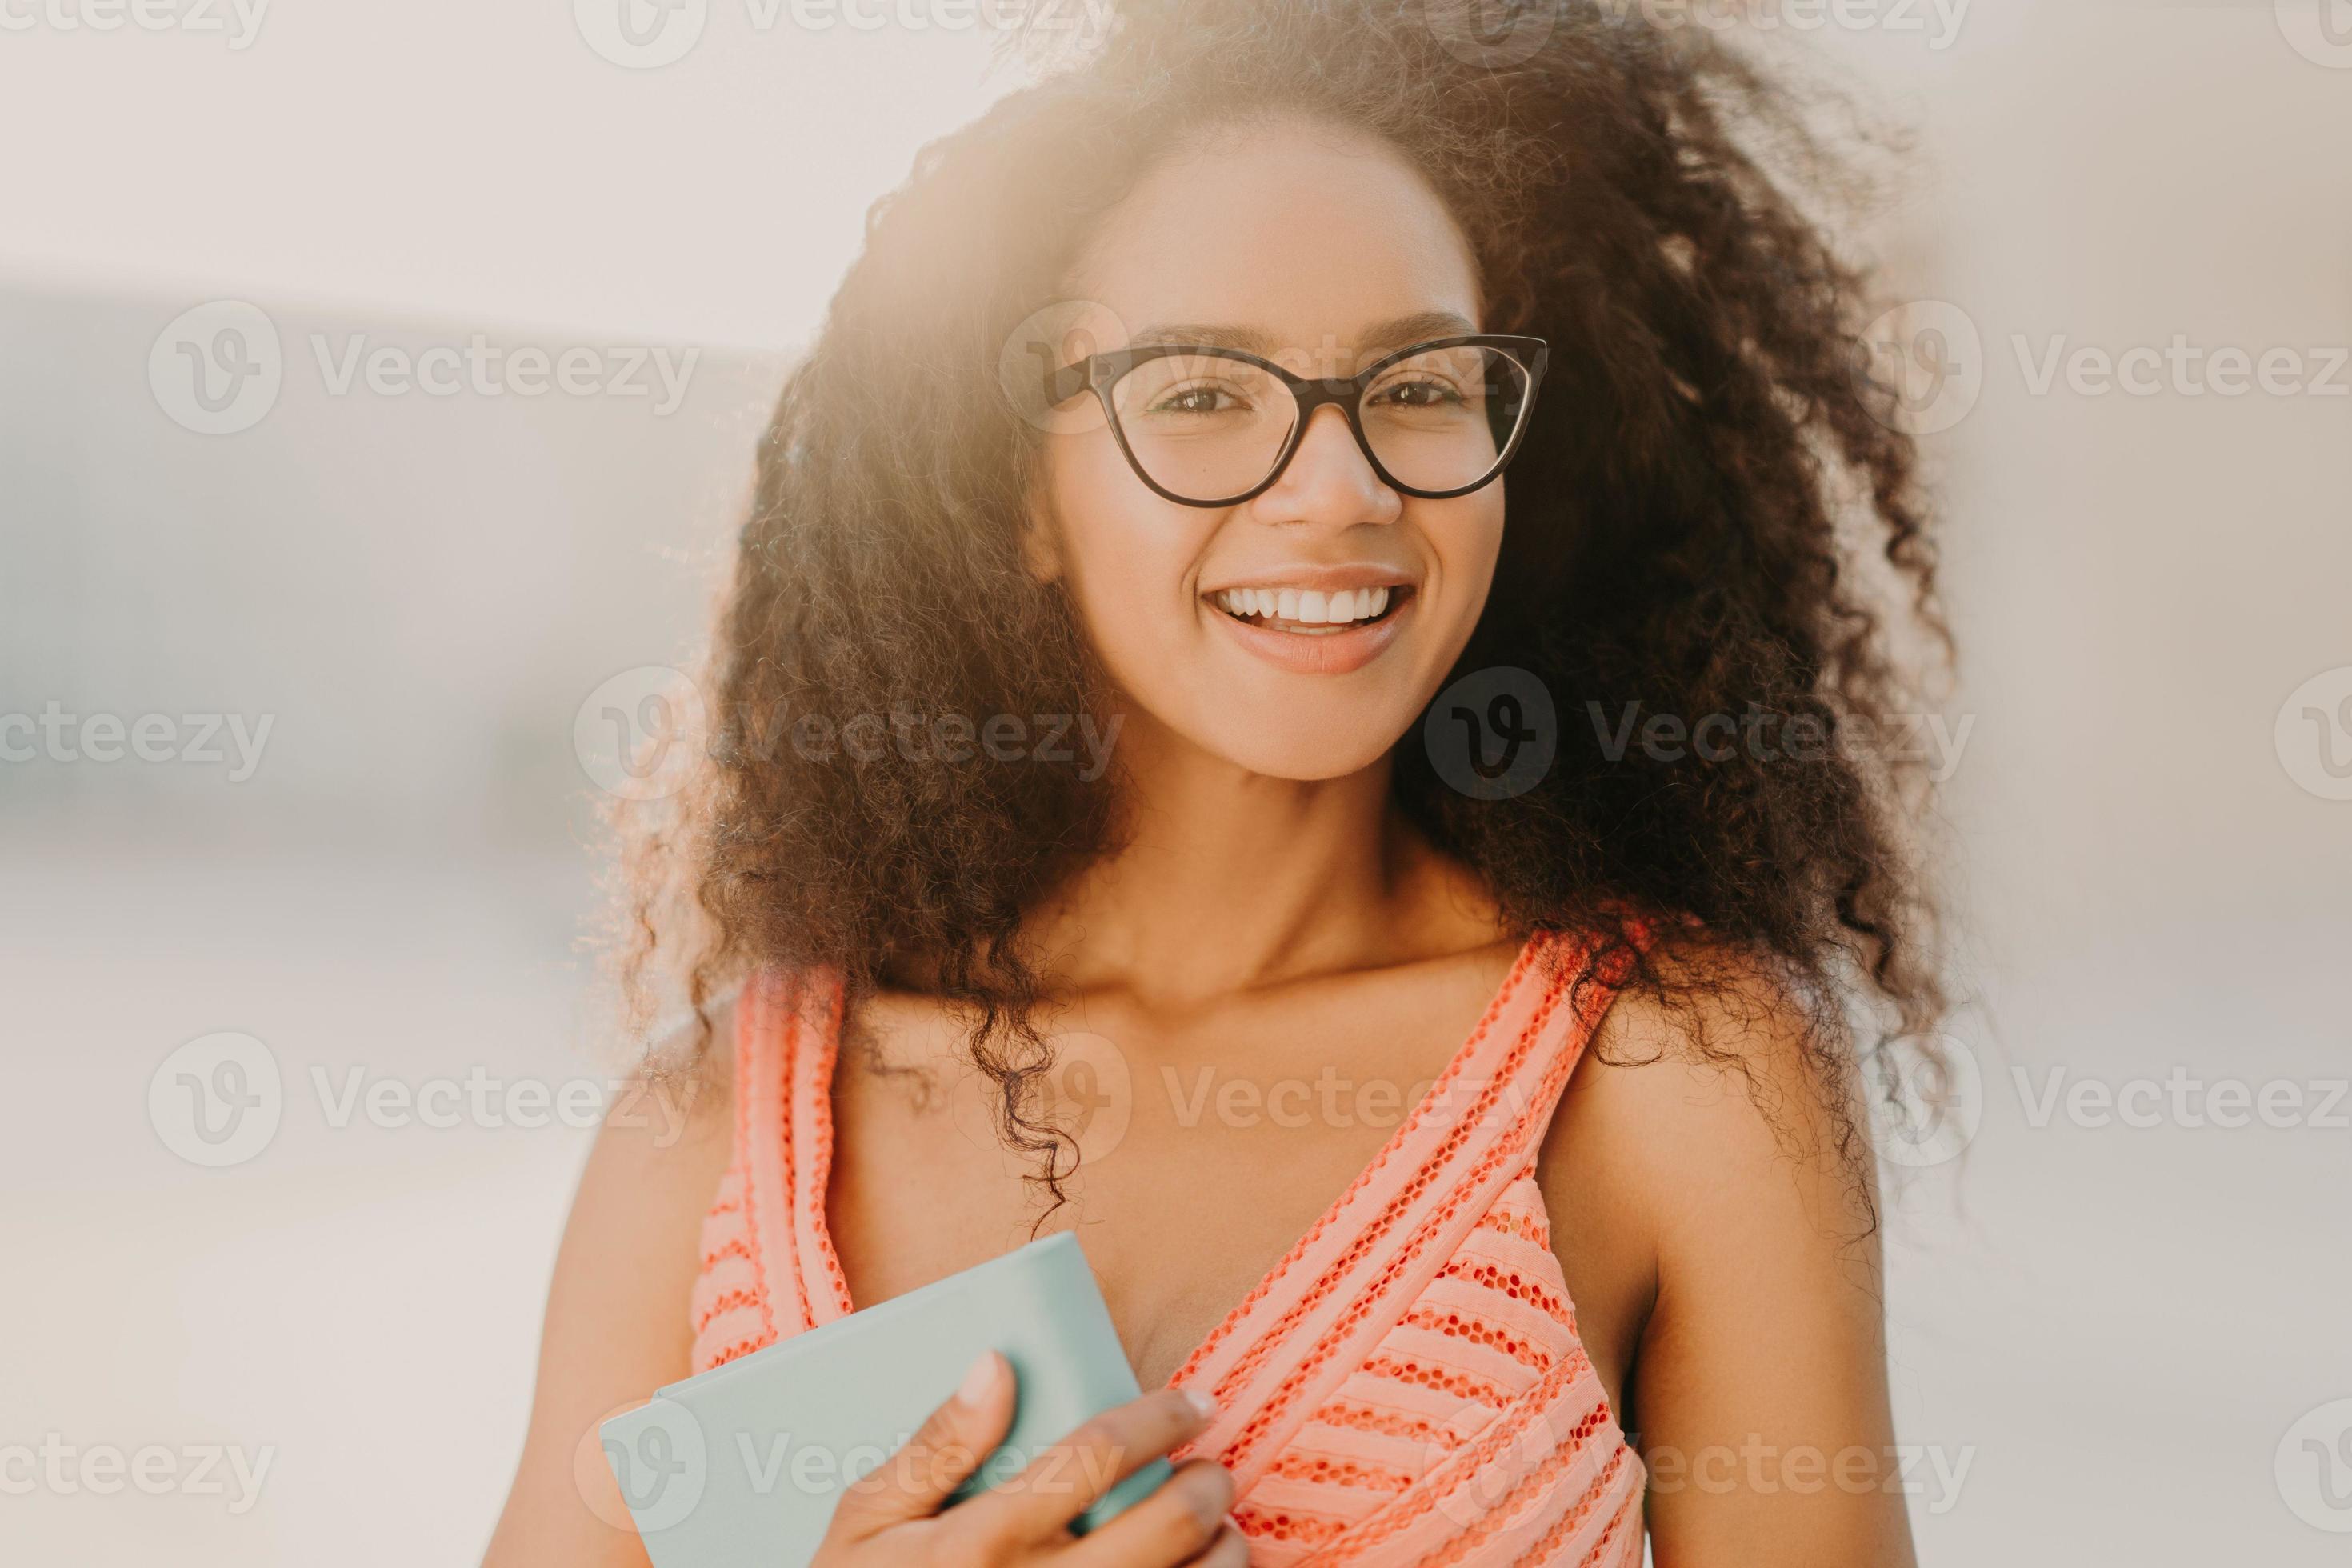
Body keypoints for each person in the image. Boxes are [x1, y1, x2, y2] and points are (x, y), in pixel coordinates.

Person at [489, 2, 1949, 1562]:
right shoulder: (716, 1126)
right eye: (1200, 395)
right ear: (1019, 495)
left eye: (1420, 387)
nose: (1344, 489)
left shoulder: (1679, 1075)